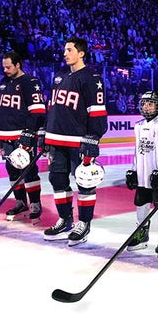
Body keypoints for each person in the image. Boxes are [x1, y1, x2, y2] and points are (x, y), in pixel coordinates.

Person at [42, 37, 107, 245]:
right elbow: (52, 107)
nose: (65, 53)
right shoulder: (59, 76)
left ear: (81, 53)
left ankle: (84, 223)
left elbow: (97, 111)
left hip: (78, 141)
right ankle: (65, 219)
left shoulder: (91, 78)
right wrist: (44, 132)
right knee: (57, 180)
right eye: (64, 50)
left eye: (69, 50)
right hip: (56, 139)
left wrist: (93, 137)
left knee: (84, 182)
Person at [124, 91, 158, 258]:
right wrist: (134, 170)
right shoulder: (138, 126)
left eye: (150, 103)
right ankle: (141, 233)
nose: (146, 106)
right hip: (143, 174)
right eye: (144, 103)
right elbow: (137, 151)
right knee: (141, 204)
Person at [0, 51, 47, 222]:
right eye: (3, 67)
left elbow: (38, 111)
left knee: (29, 171)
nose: (5, 70)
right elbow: (0, 107)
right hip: (6, 136)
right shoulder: (4, 82)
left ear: (18, 64)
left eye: (8, 67)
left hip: (22, 135)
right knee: (12, 171)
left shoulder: (30, 82)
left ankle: (35, 204)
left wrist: (30, 133)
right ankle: (20, 201)